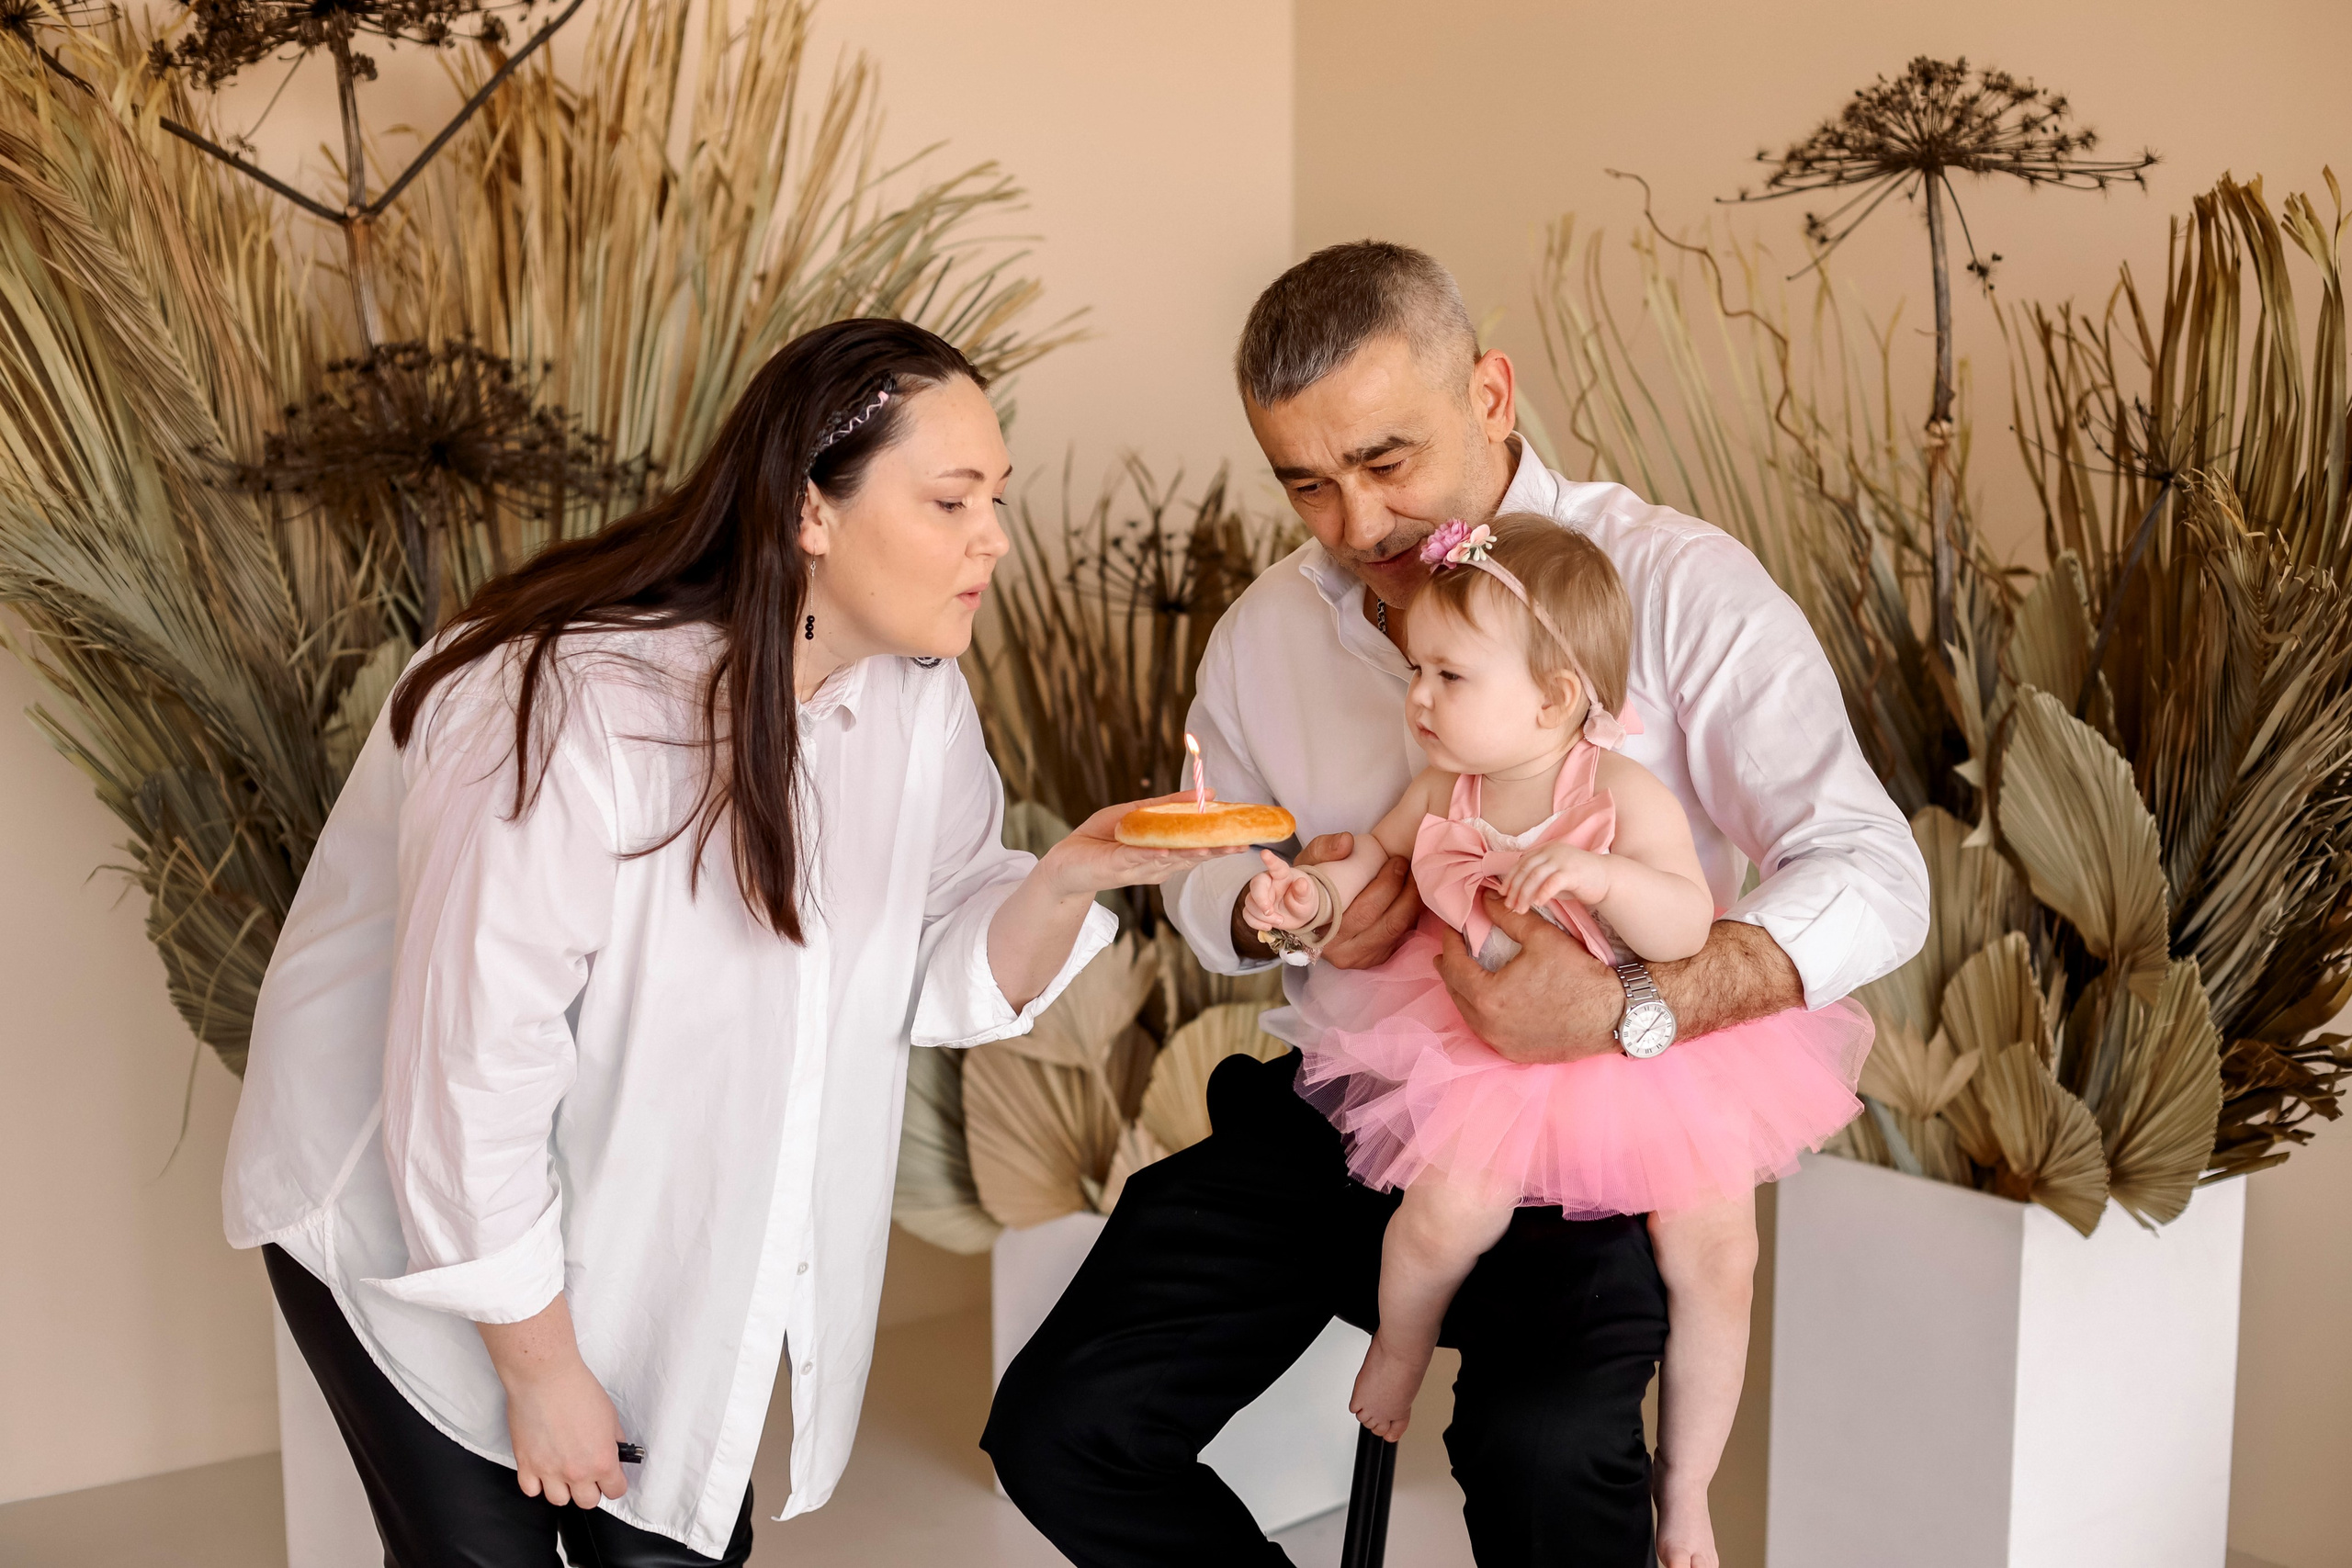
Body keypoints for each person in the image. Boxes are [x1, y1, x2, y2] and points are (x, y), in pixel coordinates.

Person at [222, 318, 1242, 1566]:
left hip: (617, 1189)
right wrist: (540, 1366)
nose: (994, 538)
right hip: (409, 1204)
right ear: (810, 511)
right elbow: (468, 1072)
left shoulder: (912, 695)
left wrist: (1075, 873)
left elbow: (935, 962)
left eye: (999, 498)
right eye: (951, 500)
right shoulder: (557, 707)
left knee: (671, 1537)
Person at [983, 242, 1928, 1568]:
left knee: (1541, 1450)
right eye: (1306, 481)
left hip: (1596, 1146)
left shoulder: (1679, 586)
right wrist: (1274, 916)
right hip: (1347, 1108)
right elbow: (1213, 872)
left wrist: (1633, 1003)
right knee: (1061, 1422)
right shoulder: (1265, 633)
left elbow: (1878, 874)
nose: (1354, 524)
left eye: (1384, 460)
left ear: (1491, 392)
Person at [1243, 513, 1872, 1557]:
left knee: (1715, 1253)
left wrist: (1604, 877)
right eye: (1418, 670)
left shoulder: (1618, 795)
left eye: (1451, 676)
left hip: (1646, 1049)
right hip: (1489, 1054)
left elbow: (1681, 923)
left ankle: (1687, 1490)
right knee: (1445, 1215)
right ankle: (1398, 1353)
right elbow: (1376, 862)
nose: (1420, 698)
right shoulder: (1447, 791)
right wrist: (1310, 887)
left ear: (1554, 697)